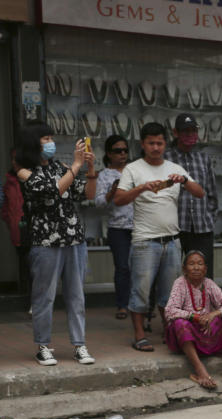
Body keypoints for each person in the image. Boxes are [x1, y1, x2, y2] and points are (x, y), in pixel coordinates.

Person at [115, 122, 205, 352]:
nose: (156, 147)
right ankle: (139, 334)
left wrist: (184, 180)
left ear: (166, 143)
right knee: (141, 291)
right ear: (143, 144)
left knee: (170, 292)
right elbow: (119, 199)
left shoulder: (174, 167)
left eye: (160, 143)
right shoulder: (133, 169)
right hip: (145, 241)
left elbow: (200, 192)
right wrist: (143, 188)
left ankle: (169, 330)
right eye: (151, 143)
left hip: (173, 240)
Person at [15, 124, 96, 366]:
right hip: (46, 242)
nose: (50, 142)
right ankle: (43, 345)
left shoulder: (61, 168)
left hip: (74, 240)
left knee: (76, 296)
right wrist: (77, 165)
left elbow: (88, 194)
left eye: (51, 137)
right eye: (45, 138)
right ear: (33, 143)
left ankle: (79, 345)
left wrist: (90, 168)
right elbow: (52, 190)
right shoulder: (24, 172)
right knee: (44, 297)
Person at [164, 250, 222, 389]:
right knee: (180, 323)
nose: (196, 267)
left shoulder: (209, 284)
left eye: (200, 264)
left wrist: (213, 314)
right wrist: (194, 317)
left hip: (207, 332)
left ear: (205, 269)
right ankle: (200, 371)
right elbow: (169, 311)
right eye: (191, 264)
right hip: (187, 337)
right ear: (184, 269)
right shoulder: (180, 283)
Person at [165, 113, 219, 278]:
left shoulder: (203, 158)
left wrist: (209, 218)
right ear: (176, 132)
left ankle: (202, 305)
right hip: (175, 229)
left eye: (193, 130)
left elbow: (212, 193)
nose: (190, 135)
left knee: (203, 275)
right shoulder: (165, 158)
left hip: (202, 228)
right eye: (185, 131)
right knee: (172, 276)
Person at [88, 135, 134, 320]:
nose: (122, 154)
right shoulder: (104, 175)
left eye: (125, 150)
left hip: (142, 226)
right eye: (117, 151)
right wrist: (112, 191)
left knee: (141, 267)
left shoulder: (135, 170)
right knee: (122, 267)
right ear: (108, 153)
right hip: (118, 227)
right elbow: (98, 203)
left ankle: (142, 305)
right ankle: (122, 305)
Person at [1, 149, 29, 303]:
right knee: (25, 264)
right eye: (12, 159)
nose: (14, 162)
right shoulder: (10, 181)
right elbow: (5, 206)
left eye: (16, 159)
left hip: (36, 230)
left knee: (37, 267)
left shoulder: (34, 177)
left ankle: (36, 301)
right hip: (18, 229)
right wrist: (10, 220)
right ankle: (30, 300)